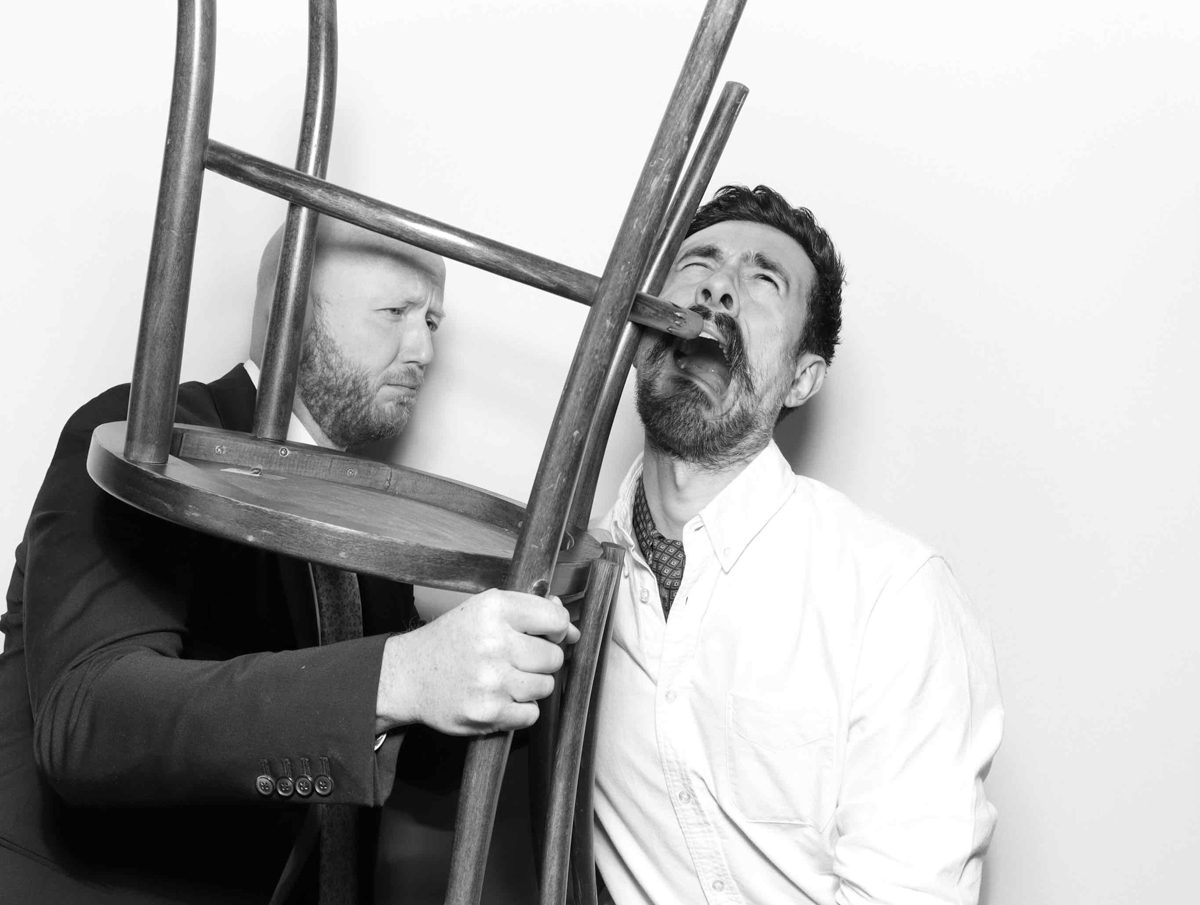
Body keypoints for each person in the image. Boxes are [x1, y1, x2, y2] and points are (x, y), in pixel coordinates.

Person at [0, 218, 576, 903]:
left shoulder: (366, 533)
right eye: (393, 312)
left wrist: (515, 662)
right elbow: (88, 722)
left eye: (433, 321)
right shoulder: (152, 442)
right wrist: (401, 673)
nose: (422, 349)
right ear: (288, 316)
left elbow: (417, 757)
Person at [591, 185, 1003, 905]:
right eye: (699, 264)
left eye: (762, 280)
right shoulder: (568, 586)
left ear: (803, 379)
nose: (718, 286)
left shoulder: (891, 597)